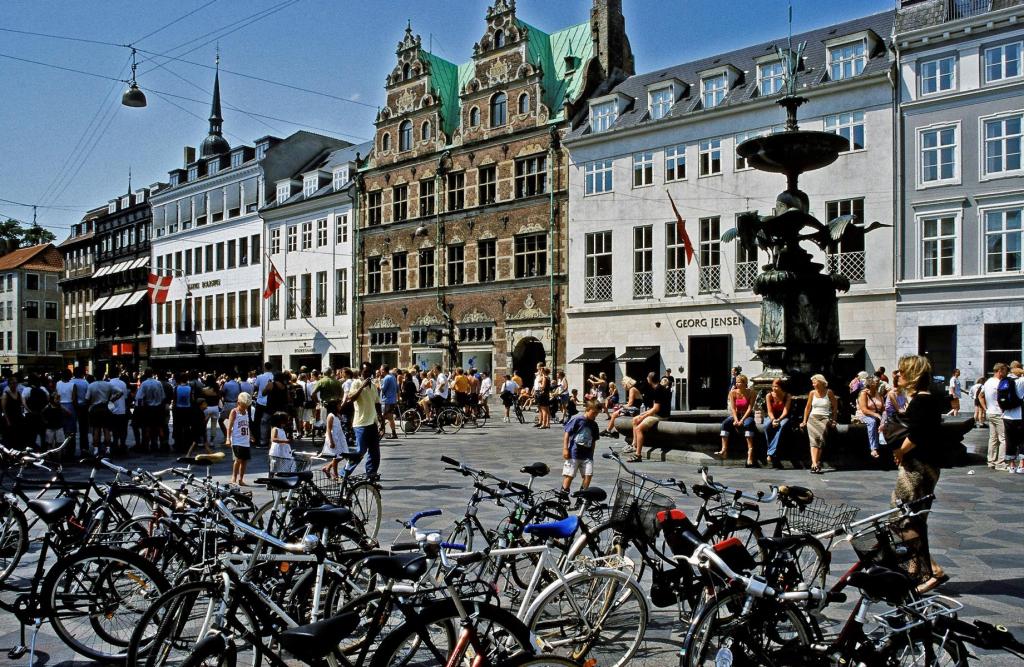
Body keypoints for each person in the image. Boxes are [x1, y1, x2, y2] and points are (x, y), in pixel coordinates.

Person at [890, 354, 948, 594]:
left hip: (917, 467)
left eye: (902, 372)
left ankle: (931, 570)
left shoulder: (921, 402)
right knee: (915, 518)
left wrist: (901, 452)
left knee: (900, 516)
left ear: (912, 376)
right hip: (929, 465)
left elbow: (916, 434)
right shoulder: (929, 399)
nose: (898, 375)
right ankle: (916, 569)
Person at [344, 362, 383, 479]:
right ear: (360, 372)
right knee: (360, 451)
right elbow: (351, 398)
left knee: (375, 452)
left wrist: (381, 420)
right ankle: (344, 473)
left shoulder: (374, 386)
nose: (368, 373)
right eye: (365, 371)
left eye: (369, 371)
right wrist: (362, 387)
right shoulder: (356, 383)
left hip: (372, 423)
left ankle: (371, 474)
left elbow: (377, 404)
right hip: (360, 423)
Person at [799, 374, 837, 474]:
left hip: (824, 418)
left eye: (815, 382)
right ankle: (815, 463)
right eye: (813, 382)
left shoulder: (829, 392)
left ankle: (814, 464)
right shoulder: (812, 393)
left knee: (820, 438)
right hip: (813, 418)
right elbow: (807, 408)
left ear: (821, 382)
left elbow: (835, 406)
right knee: (813, 440)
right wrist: (804, 421)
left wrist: (834, 419)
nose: (813, 384)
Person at [717, 374, 757, 467]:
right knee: (725, 423)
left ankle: (750, 451)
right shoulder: (733, 393)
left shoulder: (751, 393)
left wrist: (742, 420)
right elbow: (733, 409)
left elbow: (750, 408)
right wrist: (736, 419)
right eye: (737, 382)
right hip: (737, 414)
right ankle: (724, 449)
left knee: (748, 424)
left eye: (740, 382)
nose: (738, 384)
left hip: (747, 415)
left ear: (745, 383)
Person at [629, 372, 670, 463]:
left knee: (639, 428)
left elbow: (656, 409)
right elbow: (654, 408)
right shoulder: (658, 388)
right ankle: (634, 445)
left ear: (650, 379)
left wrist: (643, 416)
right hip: (658, 413)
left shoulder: (658, 390)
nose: (647, 379)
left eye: (648, 378)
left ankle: (638, 455)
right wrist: (642, 415)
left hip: (660, 416)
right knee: (635, 419)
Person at [562, 400, 600, 493]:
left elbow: (594, 440)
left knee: (588, 475)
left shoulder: (594, 425)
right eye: (594, 413)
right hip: (574, 453)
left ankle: (583, 495)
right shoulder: (577, 420)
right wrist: (565, 449)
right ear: (588, 409)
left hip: (587, 455)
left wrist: (592, 454)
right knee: (570, 475)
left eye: (597, 414)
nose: (595, 415)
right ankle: (563, 494)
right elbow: (567, 433)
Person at [979, 364, 1008, 469]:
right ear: (1000, 371)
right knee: (1003, 438)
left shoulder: (987, 382)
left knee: (993, 438)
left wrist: (985, 408)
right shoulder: (1000, 383)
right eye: (1005, 371)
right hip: (999, 413)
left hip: (990, 412)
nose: (1006, 373)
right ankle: (1000, 463)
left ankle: (991, 461)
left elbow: (980, 396)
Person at [997, 364, 1024, 474]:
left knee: (1010, 440)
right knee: (1022, 440)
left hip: (1007, 416)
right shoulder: (1021, 381)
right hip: (1020, 415)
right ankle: (1022, 465)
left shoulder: (1005, 381)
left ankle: (1012, 465)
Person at [86, 373, 121, 456]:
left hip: (95, 408)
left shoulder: (91, 385)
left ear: (95, 376)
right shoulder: (108, 384)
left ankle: (96, 449)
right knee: (106, 430)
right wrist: (112, 400)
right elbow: (120, 392)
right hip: (105, 408)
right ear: (103, 376)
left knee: (96, 430)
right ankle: (108, 448)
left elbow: (87, 398)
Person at [321, 400, 354, 478]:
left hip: (340, 438)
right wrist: (331, 441)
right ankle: (335, 475)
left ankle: (327, 467)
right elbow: (328, 429)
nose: (340, 407)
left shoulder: (337, 415)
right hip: (334, 438)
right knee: (336, 457)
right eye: (338, 405)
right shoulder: (330, 416)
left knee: (344, 455)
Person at [763, 378, 792, 469]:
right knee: (767, 426)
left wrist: (778, 420)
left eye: (776, 386)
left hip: (782, 416)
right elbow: (769, 411)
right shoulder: (769, 396)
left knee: (782, 426)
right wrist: (773, 420)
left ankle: (770, 452)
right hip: (772, 416)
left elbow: (785, 411)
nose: (774, 388)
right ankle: (772, 452)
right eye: (773, 386)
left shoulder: (787, 396)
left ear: (781, 387)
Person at [226, 392, 253, 486]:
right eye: (244, 405)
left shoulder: (246, 412)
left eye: (247, 406)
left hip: (245, 441)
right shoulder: (234, 412)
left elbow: (247, 425)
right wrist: (228, 438)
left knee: (244, 461)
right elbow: (229, 426)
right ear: (238, 403)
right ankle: (233, 477)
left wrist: (251, 435)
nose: (245, 408)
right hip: (237, 440)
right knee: (238, 460)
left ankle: (241, 479)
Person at [856, 377, 885, 459]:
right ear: (871, 384)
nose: (879, 383)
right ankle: (873, 448)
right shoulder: (864, 393)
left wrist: (884, 416)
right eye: (877, 382)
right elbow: (864, 410)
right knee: (872, 422)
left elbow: (883, 409)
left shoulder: (879, 394)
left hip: (877, 415)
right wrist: (876, 415)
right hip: (864, 415)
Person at [253, 362, 275, 447]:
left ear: (264, 367)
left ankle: (259, 439)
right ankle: (269, 439)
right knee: (270, 421)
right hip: (270, 402)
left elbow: (255, 387)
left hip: (260, 402)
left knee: (257, 422)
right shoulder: (273, 377)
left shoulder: (259, 377)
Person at [108, 372, 130, 456]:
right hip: (122, 409)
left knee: (114, 429)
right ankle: (123, 444)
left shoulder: (109, 383)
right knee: (123, 429)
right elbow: (126, 397)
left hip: (112, 410)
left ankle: (115, 444)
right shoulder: (123, 383)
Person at [71, 367, 90, 455]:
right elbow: (88, 395)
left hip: (72, 407)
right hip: (83, 407)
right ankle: (84, 448)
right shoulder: (85, 382)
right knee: (83, 430)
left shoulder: (71, 382)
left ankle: (71, 448)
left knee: (72, 430)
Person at [379, 367, 399, 439]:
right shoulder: (393, 377)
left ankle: (381, 432)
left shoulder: (386, 378)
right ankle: (393, 433)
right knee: (390, 418)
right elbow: (397, 388)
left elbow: (383, 389)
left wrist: (379, 383)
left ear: (384, 370)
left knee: (382, 416)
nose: (380, 371)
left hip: (386, 400)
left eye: (381, 369)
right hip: (392, 400)